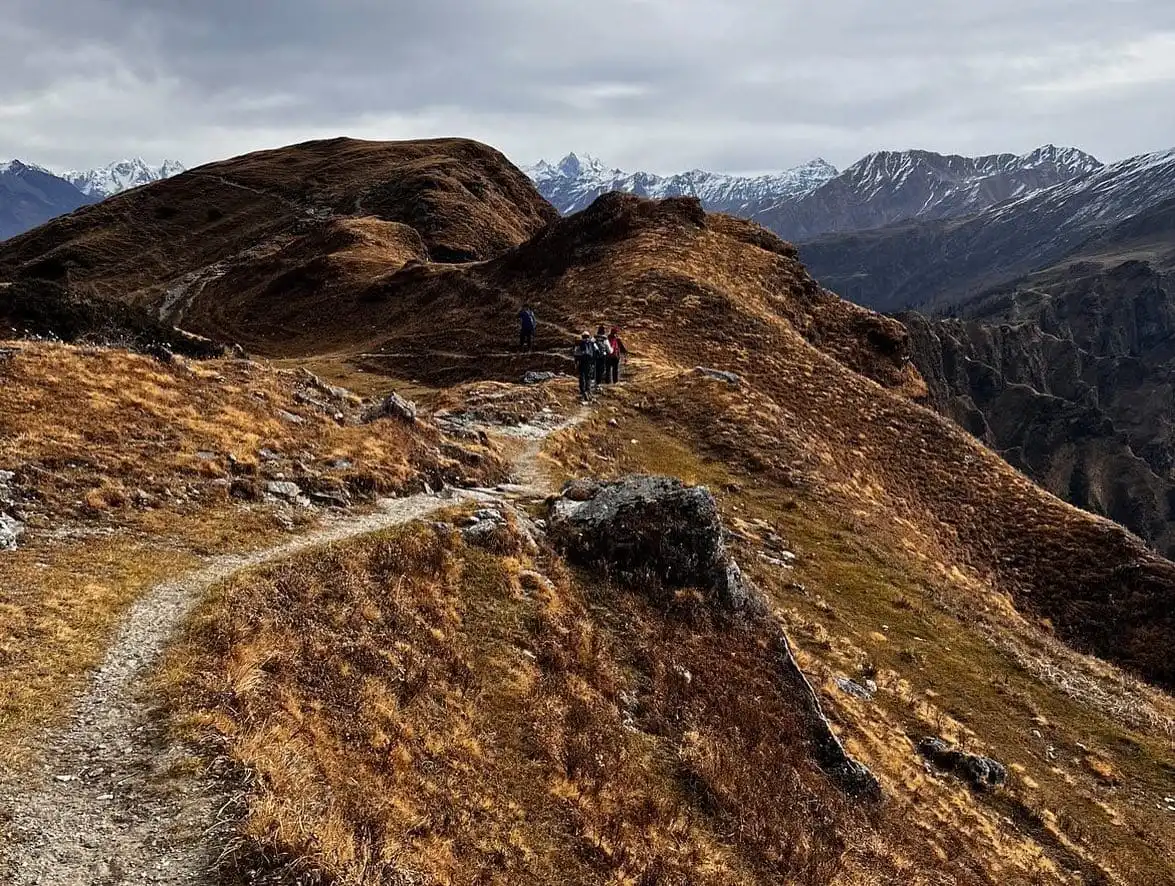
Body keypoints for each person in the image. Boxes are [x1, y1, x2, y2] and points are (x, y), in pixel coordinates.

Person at [573, 331, 598, 401]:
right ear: (588, 336)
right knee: (588, 376)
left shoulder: (579, 343)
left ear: (582, 336)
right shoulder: (592, 343)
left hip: (581, 362)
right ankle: (588, 390)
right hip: (589, 362)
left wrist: (576, 362)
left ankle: (582, 391)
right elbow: (597, 351)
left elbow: (576, 354)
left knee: (582, 376)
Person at [593, 325, 612, 389]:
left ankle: (594, 382)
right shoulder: (605, 339)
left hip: (595, 356)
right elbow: (609, 350)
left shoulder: (594, 338)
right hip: (603, 356)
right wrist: (612, 350)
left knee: (595, 369)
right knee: (601, 370)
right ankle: (598, 383)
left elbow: (590, 345)